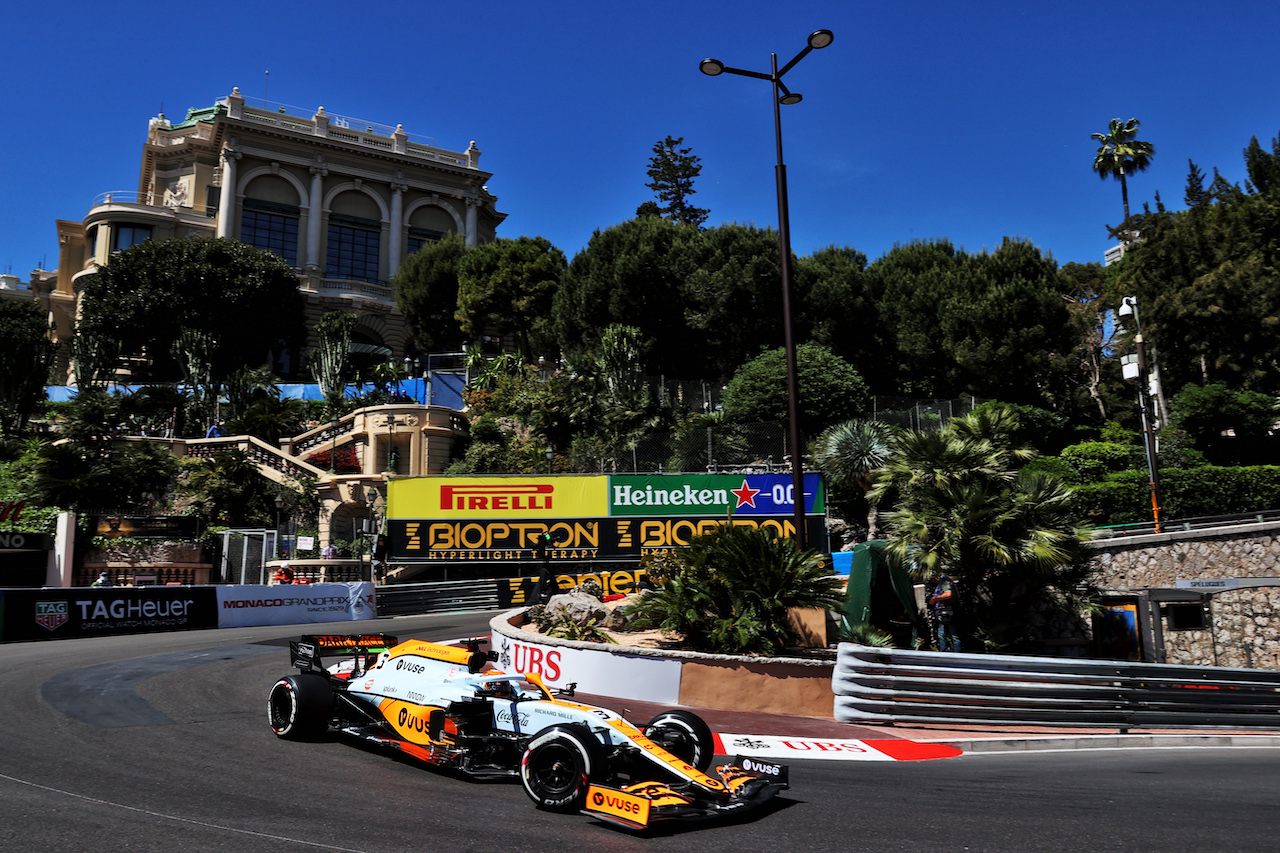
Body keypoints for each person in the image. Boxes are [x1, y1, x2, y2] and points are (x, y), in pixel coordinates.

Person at [929, 573, 961, 652]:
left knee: (954, 635)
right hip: (942, 613)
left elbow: (948, 594)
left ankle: (957, 655)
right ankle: (944, 653)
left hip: (949, 612)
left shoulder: (944, 581)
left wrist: (935, 599)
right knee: (941, 634)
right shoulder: (942, 582)